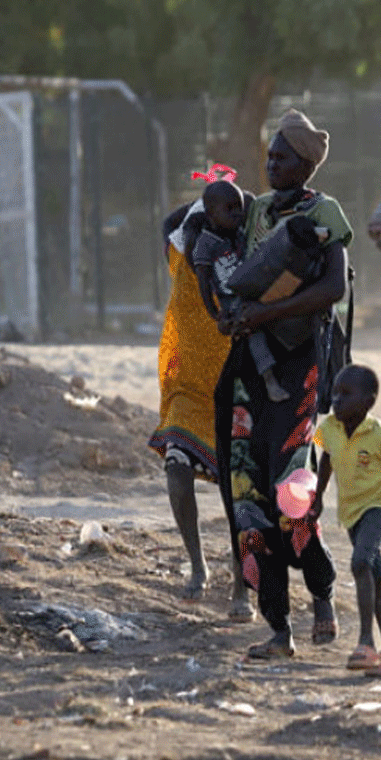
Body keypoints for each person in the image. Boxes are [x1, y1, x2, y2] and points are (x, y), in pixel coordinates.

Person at [215, 109, 351, 659]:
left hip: (300, 362)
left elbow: (333, 288)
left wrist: (265, 317)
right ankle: (278, 627)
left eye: (282, 157)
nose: (271, 164)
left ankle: (321, 594)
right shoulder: (258, 212)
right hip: (251, 363)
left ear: (307, 163)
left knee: (292, 490)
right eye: (269, 156)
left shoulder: (325, 212)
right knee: (247, 493)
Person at [149, 181, 236, 601]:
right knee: (176, 470)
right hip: (189, 391)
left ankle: (242, 581)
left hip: (236, 390)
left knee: (238, 491)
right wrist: (208, 198)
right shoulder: (180, 256)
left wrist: (225, 202)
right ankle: (198, 564)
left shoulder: (239, 267)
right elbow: (172, 222)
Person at [310, 364, 381, 676]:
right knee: (375, 572)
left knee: (360, 564)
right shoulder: (329, 428)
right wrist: (318, 497)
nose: (336, 400)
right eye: (335, 393)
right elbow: (326, 459)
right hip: (350, 512)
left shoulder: (380, 435)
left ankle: (365, 641)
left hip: (377, 507)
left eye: (346, 394)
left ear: (368, 402)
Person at [189, 179, 294, 403]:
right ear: (210, 214)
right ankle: (269, 380)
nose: (237, 213)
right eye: (229, 209)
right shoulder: (205, 244)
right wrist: (214, 312)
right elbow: (203, 281)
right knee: (253, 330)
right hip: (233, 302)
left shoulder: (240, 234)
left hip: (255, 290)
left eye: (239, 208)